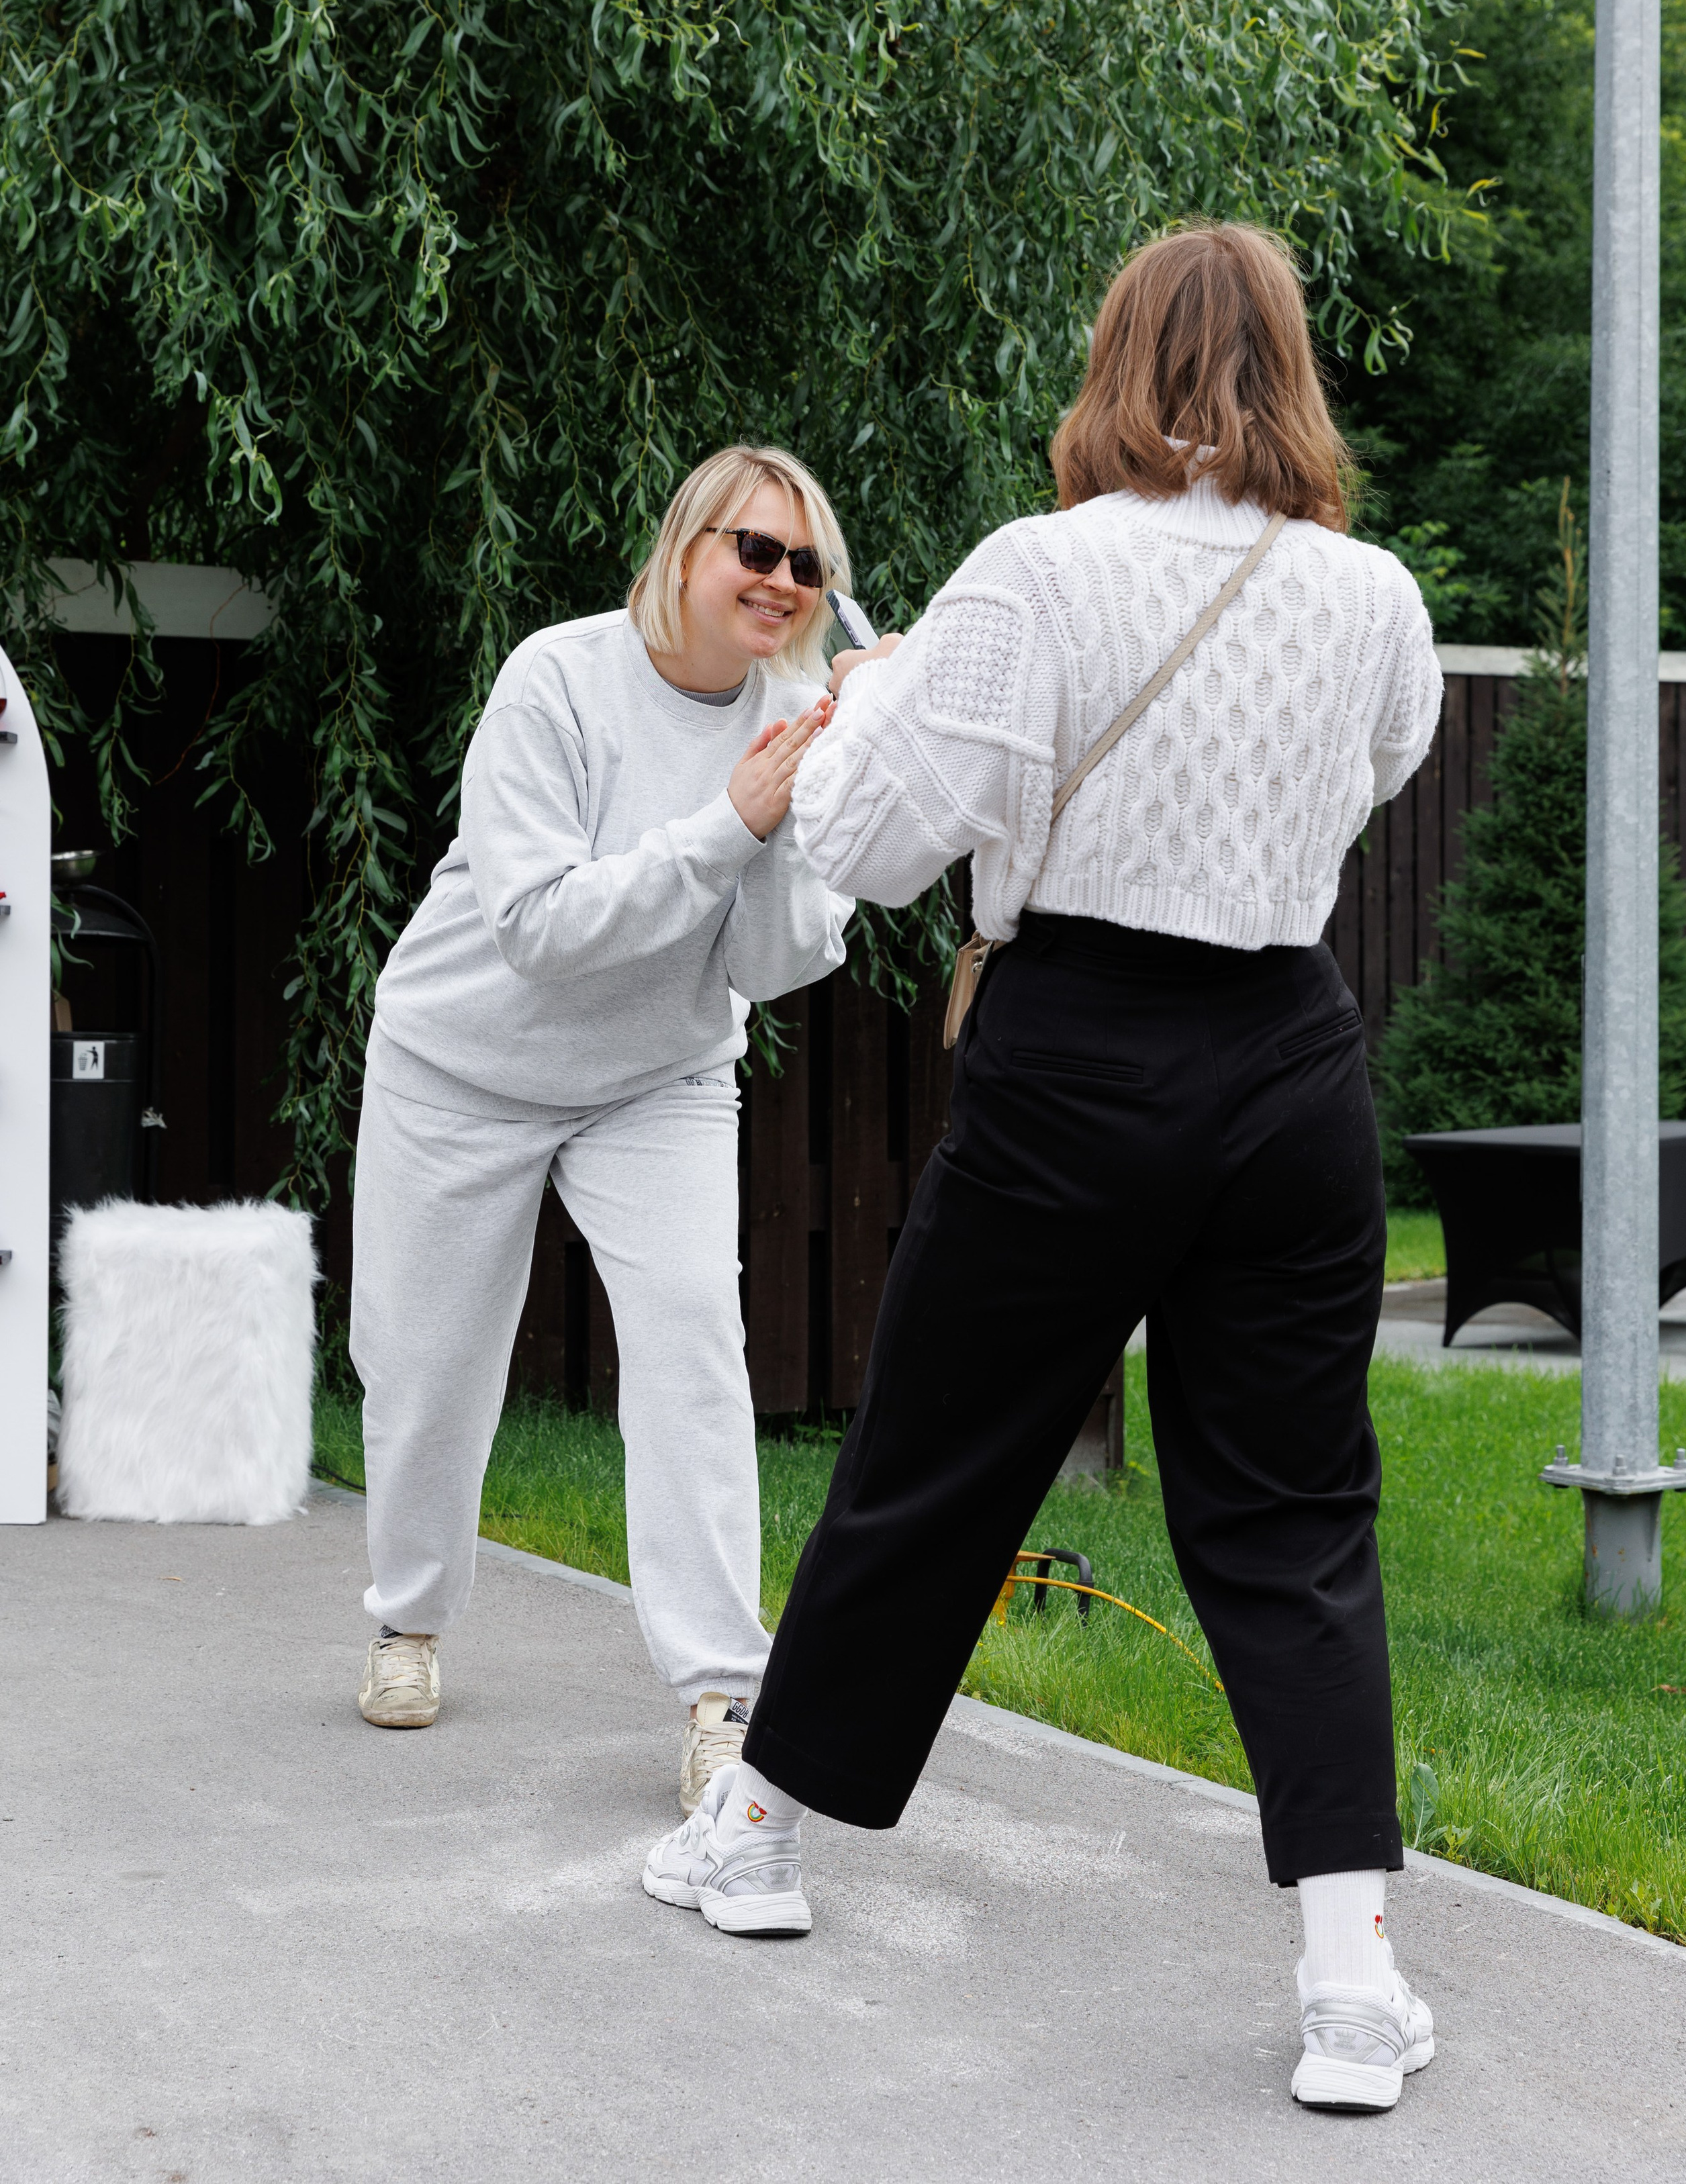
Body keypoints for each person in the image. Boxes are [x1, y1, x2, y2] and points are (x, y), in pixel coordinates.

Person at [642, 226, 1446, 2110]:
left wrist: (877, 703)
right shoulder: (1378, 594)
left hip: (1079, 1054)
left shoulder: (1036, 573)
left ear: (1118, 361)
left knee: (936, 1463)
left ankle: (754, 1836)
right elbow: (1376, 769)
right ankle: (1350, 1986)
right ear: (1292, 371)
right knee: (1294, 1516)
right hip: (1291, 1057)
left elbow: (866, 840)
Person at [350, 444, 854, 1816]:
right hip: (464, 1061)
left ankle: (719, 1693)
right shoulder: (558, 680)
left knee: (694, 1345)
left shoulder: (798, 710)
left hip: (660, 1075)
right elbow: (539, 928)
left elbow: (777, 961)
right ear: (685, 548)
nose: (782, 581)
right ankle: (408, 1618)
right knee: (424, 1367)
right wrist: (725, 821)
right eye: (756, 550)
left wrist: (795, 815)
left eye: (805, 566)